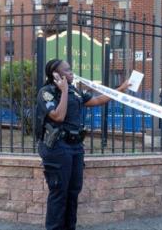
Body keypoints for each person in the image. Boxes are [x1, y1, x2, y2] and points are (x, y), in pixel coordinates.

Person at [35, 59, 129, 230]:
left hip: (75, 148)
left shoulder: (74, 91)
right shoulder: (46, 92)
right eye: (68, 70)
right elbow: (58, 116)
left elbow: (97, 100)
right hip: (57, 148)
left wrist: (121, 89)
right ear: (56, 74)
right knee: (59, 193)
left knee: (73, 192)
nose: (71, 72)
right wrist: (62, 91)